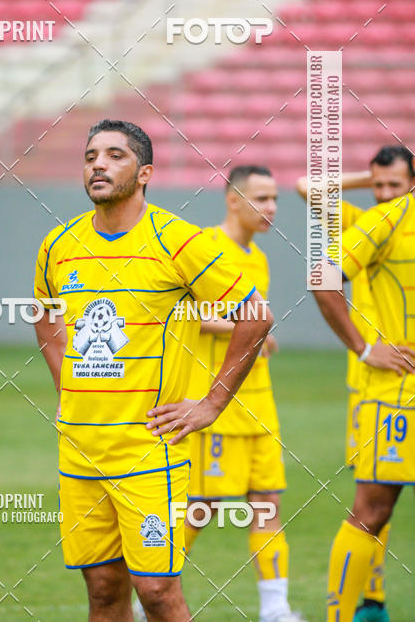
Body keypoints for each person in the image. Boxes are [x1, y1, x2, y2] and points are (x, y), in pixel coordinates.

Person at [33, 119, 273, 622]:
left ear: (144, 173)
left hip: (148, 449)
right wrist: (65, 385)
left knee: (158, 592)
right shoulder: (58, 244)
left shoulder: (179, 241)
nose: (98, 164)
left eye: (115, 155)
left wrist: (211, 403)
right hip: (79, 448)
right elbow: (45, 315)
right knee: (102, 589)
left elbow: (256, 315)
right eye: (91, 155)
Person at [297, 145, 414, 622]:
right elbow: (309, 189)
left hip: (389, 386)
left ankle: (373, 600)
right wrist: (366, 348)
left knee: (381, 502)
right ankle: (346, 612)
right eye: (378, 185)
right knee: (373, 504)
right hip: (384, 387)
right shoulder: (372, 220)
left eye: (394, 184)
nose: (384, 194)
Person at [184, 165, 305, 622]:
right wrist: (252, 328)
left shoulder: (258, 256)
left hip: (259, 402)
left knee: (268, 501)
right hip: (217, 404)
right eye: (262, 198)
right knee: (201, 507)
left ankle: (275, 609)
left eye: (275, 198)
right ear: (233, 200)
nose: (272, 207)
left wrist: (257, 333)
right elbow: (186, 315)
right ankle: (148, 593)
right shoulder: (203, 247)